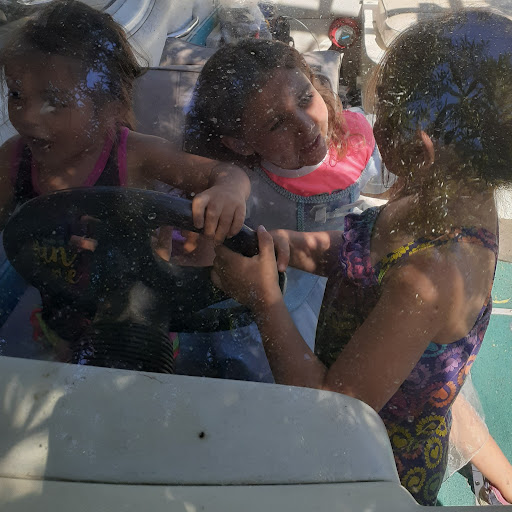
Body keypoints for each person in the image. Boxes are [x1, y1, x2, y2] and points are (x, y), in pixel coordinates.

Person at [210, 9, 512, 505]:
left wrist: (264, 300)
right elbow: (360, 248)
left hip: (372, 465)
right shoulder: (435, 192)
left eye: (384, 116)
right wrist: (277, 245)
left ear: (420, 147)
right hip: (376, 393)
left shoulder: (432, 274)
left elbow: (335, 416)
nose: (372, 125)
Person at [0, 0, 250, 355]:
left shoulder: (136, 155)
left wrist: (228, 190)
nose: (27, 117)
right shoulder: (13, 159)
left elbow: (225, 173)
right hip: (61, 320)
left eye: (53, 101)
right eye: (16, 94)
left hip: (141, 328)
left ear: (110, 108)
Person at [178, 39, 392, 380]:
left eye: (306, 99)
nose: (306, 126)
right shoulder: (239, 181)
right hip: (271, 296)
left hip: (340, 275)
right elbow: (206, 257)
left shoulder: (353, 138)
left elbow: (384, 180)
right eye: (277, 123)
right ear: (240, 143)